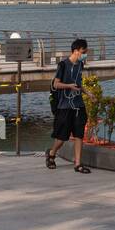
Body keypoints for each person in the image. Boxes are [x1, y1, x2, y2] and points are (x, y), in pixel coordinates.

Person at [46, 39, 90, 174]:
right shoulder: (63, 65)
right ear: (76, 51)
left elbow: (78, 83)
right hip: (64, 106)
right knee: (62, 137)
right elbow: (56, 84)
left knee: (79, 135)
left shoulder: (80, 65)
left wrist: (88, 93)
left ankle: (78, 164)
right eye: (83, 52)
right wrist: (69, 86)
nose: (85, 54)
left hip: (78, 105)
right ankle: (52, 153)